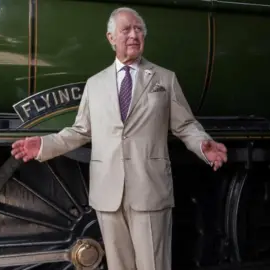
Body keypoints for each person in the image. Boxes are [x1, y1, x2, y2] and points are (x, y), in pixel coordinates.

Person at [11, 6, 227, 270]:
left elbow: (185, 125)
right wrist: (44, 144)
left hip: (149, 189)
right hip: (108, 192)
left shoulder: (164, 79)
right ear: (111, 37)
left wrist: (203, 145)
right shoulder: (95, 84)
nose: (134, 35)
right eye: (126, 30)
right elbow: (80, 131)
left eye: (139, 29)